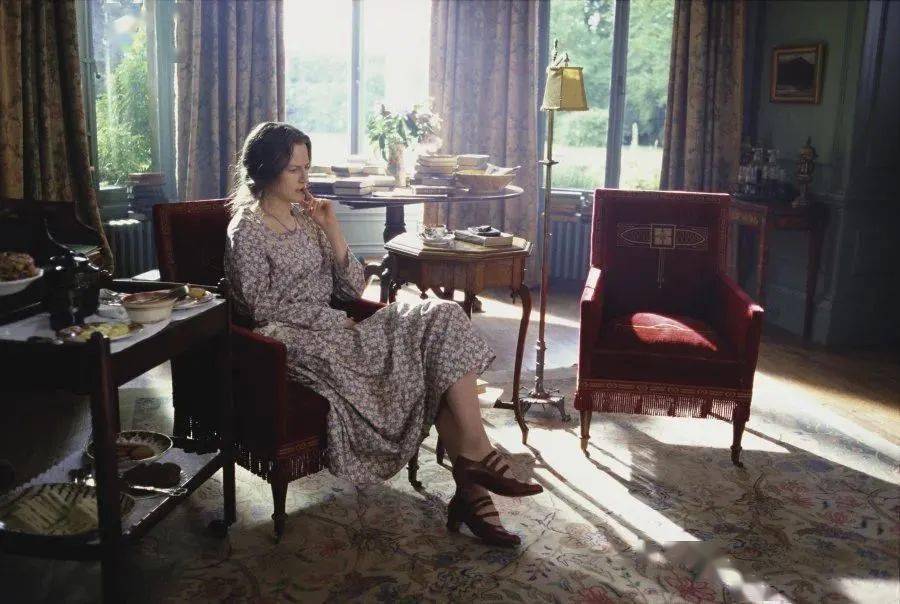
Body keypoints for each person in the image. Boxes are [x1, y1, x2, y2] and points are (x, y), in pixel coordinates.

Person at [224, 122, 542, 547]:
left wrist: (332, 229)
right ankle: (475, 487)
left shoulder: (308, 218)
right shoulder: (245, 229)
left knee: (443, 315)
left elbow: (351, 289)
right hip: (292, 342)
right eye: (294, 170)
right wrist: (331, 322)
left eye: (307, 168)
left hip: (338, 329)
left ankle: (476, 458)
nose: (305, 178)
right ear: (266, 171)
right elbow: (260, 310)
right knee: (429, 361)